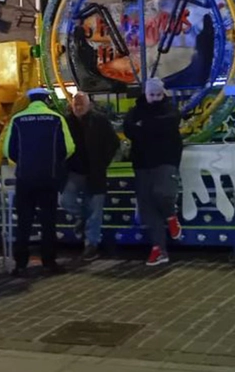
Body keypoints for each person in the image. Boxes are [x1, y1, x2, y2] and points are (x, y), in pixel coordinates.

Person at [3, 87, 75, 277]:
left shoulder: (17, 120)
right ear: (46, 100)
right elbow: (69, 147)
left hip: (25, 178)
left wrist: (24, 163)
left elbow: (7, 150)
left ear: (30, 100)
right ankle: (49, 262)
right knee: (48, 221)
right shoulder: (56, 119)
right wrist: (53, 161)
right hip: (49, 177)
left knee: (24, 222)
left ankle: (20, 264)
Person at [123, 77, 184, 266]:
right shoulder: (136, 111)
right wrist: (153, 127)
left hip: (165, 160)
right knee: (147, 207)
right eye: (152, 94)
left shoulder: (170, 110)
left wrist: (144, 127)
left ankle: (170, 215)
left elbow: (168, 123)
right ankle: (158, 248)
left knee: (163, 193)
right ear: (146, 94)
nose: (155, 98)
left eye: (158, 94)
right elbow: (129, 129)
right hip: (142, 163)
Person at [61, 92, 120, 260]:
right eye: (76, 105)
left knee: (95, 209)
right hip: (75, 170)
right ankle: (82, 219)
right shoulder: (66, 121)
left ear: (89, 105)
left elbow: (113, 143)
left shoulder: (100, 121)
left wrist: (102, 162)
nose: (78, 108)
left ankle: (91, 244)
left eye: (81, 105)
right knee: (66, 200)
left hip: (95, 170)